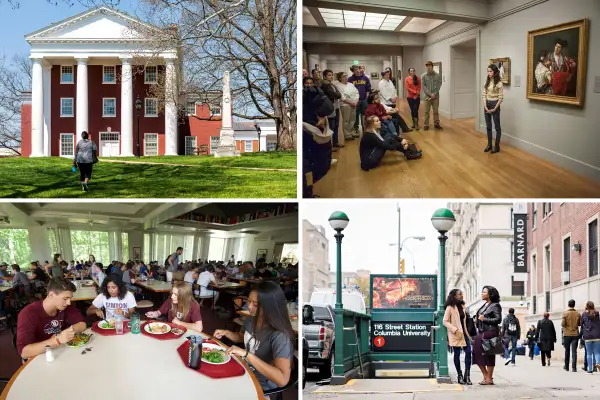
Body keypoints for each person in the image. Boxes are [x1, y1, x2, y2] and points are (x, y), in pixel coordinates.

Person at [213, 281, 294, 393]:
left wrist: (247, 355)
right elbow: (242, 337)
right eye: (249, 301)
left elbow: (282, 379)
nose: (249, 307)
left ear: (270, 307)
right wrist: (227, 333)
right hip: (244, 368)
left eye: (255, 304)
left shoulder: (279, 336)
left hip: (262, 381)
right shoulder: (251, 320)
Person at [16, 278, 87, 359]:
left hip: (61, 351)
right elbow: (24, 352)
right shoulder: (28, 313)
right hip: (41, 355)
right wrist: (56, 340)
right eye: (65, 298)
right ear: (51, 295)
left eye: (70, 298)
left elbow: (82, 324)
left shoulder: (65, 306)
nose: (69, 302)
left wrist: (65, 334)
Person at [302, 76, 334, 198]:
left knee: (323, 165)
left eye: (311, 83)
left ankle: (308, 192)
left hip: (318, 135)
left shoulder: (316, 93)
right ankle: (307, 195)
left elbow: (329, 109)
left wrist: (321, 95)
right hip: (304, 135)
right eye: (306, 83)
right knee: (305, 170)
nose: (309, 86)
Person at [473, 285, 502, 385]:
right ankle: (486, 376)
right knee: (476, 353)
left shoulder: (495, 305)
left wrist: (484, 319)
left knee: (489, 355)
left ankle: (489, 378)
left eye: (484, 292)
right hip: (481, 332)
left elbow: (498, 319)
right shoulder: (485, 305)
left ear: (490, 294)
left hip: (490, 332)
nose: (482, 293)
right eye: (482, 292)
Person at [443, 289, 472, 385]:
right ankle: (459, 375)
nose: (462, 295)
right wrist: (454, 330)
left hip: (464, 334)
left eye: (462, 293)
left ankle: (467, 375)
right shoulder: (450, 307)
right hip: (455, 334)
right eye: (460, 294)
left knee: (468, 352)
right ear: (454, 296)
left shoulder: (463, 306)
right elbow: (445, 321)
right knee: (457, 354)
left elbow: (464, 321)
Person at [482, 64, 503, 153]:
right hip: (487, 103)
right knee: (488, 126)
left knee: (497, 127)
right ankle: (489, 145)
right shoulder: (486, 82)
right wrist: (485, 106)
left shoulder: (499, 83)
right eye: (488, 71)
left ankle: (497, 145)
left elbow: (500, 98)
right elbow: (483, 95)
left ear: (495, 72)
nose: (489, 73)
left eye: (490, 71)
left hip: (495, 104)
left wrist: (495, 108)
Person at [334, 72, 360, 141]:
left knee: (353, 120)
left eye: (346, 76)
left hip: (354, 104)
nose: (346, 77)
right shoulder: (338, 86)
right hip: (345, 105)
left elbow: (357, 93)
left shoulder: (351, 84)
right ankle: (347, 134)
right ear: (340, 78)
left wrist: (356, 101)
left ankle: (352, 132)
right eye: (343, 76)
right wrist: (351, 103)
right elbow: (342, 97)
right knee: (346, 120)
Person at [321, 69, 343, 149]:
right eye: (329, 75)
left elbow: (339, 94)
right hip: (330, 107)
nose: (331, 76)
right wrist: (336, 94)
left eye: (332, 75)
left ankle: (335, 142)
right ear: (325, 76)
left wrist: (337, 94)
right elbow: (333, 94)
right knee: (331, 127)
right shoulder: (325, 85)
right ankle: (329, 145)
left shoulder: (332, 84)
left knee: (336, 125)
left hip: (336, 106)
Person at [347, 65, 371, 134]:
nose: (357, 71)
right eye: (355, 70)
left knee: (365, 114)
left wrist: (367, 98)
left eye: (358, 69)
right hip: (355, 100)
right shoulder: (350, 79)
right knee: (356, 115)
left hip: (364, 99)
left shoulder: (365, 78)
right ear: (353, 71)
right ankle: (356, 128)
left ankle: (365, 127)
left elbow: (368, 89)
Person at [421, 61, 443, 131]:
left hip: (436, 97)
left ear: (432, 66)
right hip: (427, 96)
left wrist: (434, 94)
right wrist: (430, 94)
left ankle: (436, 124)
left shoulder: (437, 75)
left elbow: (439, 85)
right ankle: (426, 125)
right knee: (426, 111)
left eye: (430, 66)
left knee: (435, 111)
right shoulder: (423, 76)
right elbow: (424, 87)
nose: (428, 67)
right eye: (427, 66)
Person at [562, 299, 581, 372]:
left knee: (567, 350)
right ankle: (574, 367)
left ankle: (566, 366)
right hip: (575, 334)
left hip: (567, 334)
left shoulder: (565, 314)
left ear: (568, 304)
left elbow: (563, 324)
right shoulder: (578, 314)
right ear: (574, 305)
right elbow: (579, 324)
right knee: (574, 352)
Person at [581, 301, 600, 374]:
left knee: (589, 353)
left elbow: (581, 324)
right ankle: (598, 363)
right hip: (597, 335)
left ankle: (590, 369)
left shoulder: (584, 314)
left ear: (586, 306)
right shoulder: (597, 313)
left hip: (587, 336)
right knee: (597, 352)